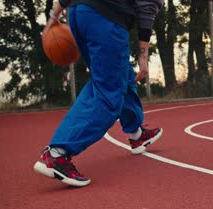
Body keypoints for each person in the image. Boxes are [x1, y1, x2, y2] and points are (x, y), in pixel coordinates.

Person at [33, 0, 164, 187]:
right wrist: (143, 56)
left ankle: (136, 133)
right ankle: (57, 154)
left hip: (79, 14)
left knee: (121, 73)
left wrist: (54, 15)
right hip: (105, 19)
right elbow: (147, 6)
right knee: (107, 92)